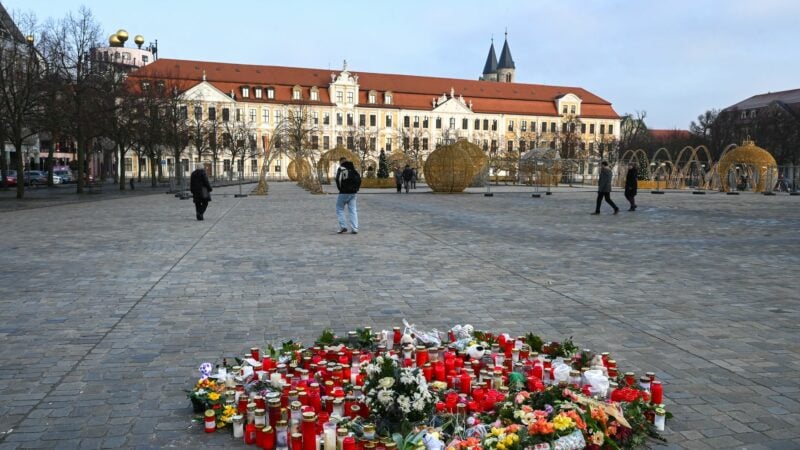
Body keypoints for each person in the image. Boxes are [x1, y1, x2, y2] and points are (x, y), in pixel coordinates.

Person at [335, 160, 361, 234]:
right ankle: (355, 228)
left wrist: (340, 189)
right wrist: (356, 189)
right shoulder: (354, 170)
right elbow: (359, 180)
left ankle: (343, 226)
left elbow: (338, 180)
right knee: (353, 210)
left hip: (343, 192)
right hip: (353, 193)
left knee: (339, 208)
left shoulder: (341, 170)